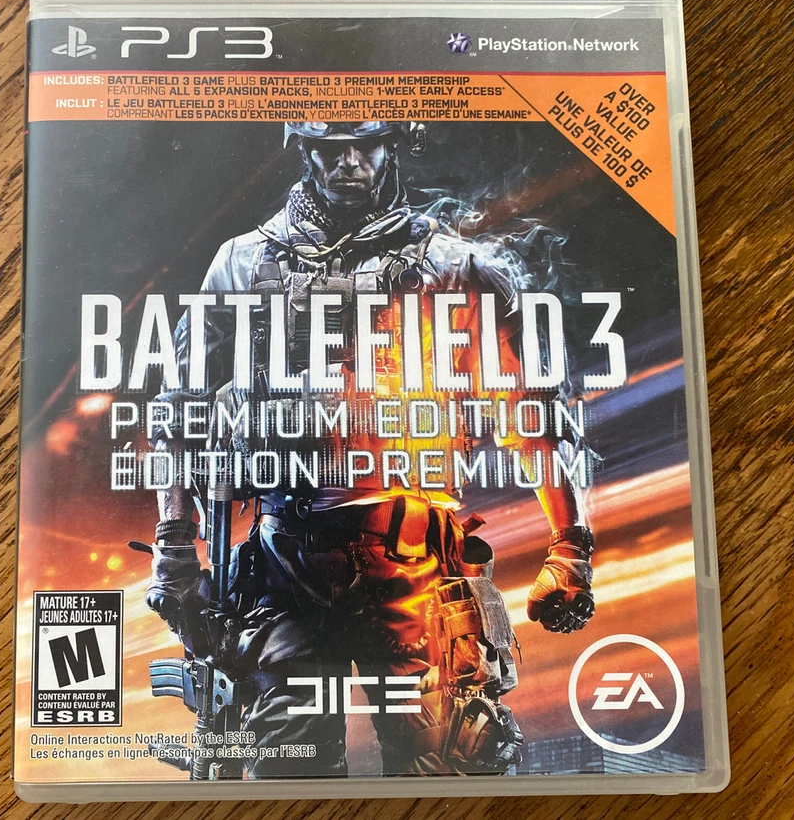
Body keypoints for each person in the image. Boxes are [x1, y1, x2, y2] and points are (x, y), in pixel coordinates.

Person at [144, 121, 595, 778]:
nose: (349, 162)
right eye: (331, 148)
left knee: (452, 768)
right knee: (282, 775)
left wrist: (570, 544)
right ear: (305, 148)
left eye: (366, 144)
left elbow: (532, 411)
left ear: (395, 142)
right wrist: (173, 546)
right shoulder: (243, 264)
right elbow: (177, 410)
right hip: (285, 568)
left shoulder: (454, 265)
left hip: (417, 568)